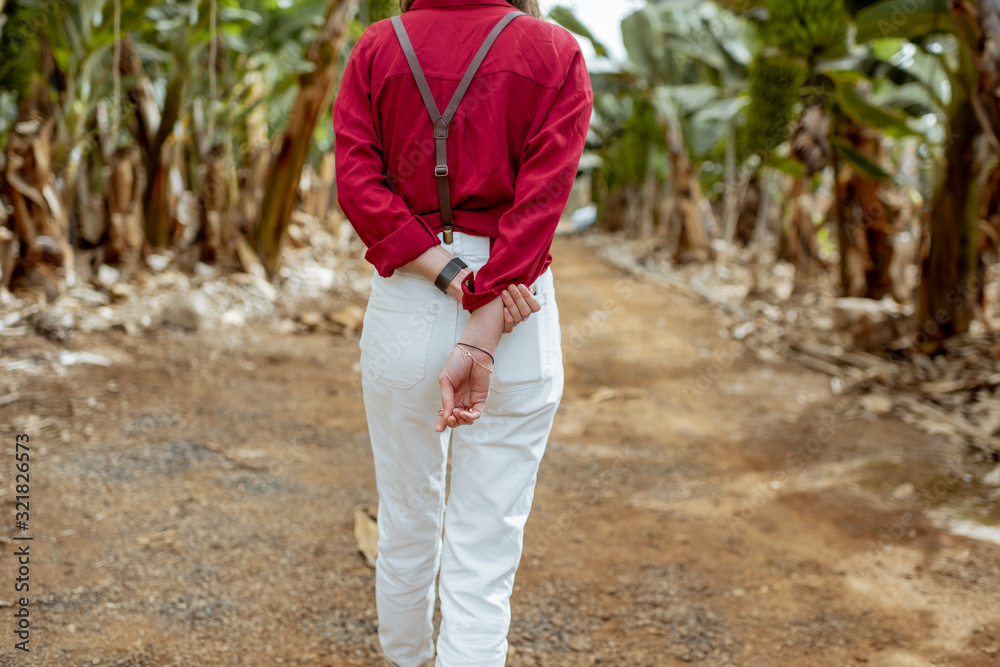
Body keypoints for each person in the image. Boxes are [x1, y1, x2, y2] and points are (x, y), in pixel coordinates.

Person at [332, 0, 591, 664]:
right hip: (518, 312)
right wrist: (485, 308)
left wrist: (454, 279)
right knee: (484, 548)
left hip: (410, 297)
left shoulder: (376, 49)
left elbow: (361, 188)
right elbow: (541, 201)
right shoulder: (557, 54)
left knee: (406, 523)